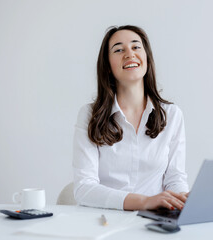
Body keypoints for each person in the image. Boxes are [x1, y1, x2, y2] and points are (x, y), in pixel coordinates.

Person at [73, 25, 189, 211]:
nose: (129, 54)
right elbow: (84, 188)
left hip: (155, 220)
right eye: (119, 50)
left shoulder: (172, 114)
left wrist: (182, 200)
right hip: (105, 220)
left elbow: (175, 179)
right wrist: (144, 202)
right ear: (108, 67)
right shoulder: (90, 115)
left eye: (136, 47)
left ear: (147, 59)